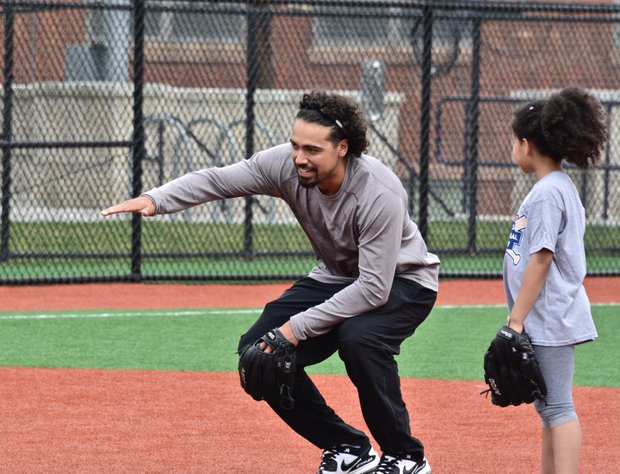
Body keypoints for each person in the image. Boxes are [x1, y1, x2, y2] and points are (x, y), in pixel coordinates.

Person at [101, 91, 439, 474]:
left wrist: (294, 330)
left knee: (359, 340)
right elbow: (218, 180)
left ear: (343, 147)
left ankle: (405, 456)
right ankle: (346, 447)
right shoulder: (285, 165)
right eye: (295, 145)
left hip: (403, 282)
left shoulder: (378, 191)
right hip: (338, 276)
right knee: (259, 353)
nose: (299, 157)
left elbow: (373, 288)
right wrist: (156, 199)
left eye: (312, 149)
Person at [505, 87, 607, 474]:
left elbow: (542, 258)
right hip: (547, 315)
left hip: (548, 315)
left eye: (514, 141)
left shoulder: (548, 193)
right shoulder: (556, 188)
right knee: (549, 406)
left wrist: (517, 319)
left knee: (558, 406)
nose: (513, 148)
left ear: (527, 145)